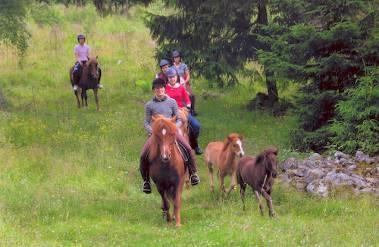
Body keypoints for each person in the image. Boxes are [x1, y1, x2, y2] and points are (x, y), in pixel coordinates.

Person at [140, 78, 200, 194]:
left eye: (162, 88)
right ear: (154, 90)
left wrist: (174, 128)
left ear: (164, 89)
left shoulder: (172, 102)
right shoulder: (149, 105)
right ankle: (146, 181)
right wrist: (152, 131)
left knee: (187, 148)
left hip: (171, 133)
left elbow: (178, 118)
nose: (160, 90)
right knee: (143, 155)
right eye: (157, 88)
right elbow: (146, 122)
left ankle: (193, 174)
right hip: (156, 135)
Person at [165, 68, 203, 155]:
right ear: (168, 78)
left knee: (196, 125)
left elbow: (187, 100)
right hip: (170, 112)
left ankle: (195, 145)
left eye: (173, 77)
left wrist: (188, 107)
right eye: (170, 77)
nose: (172, 79)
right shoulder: (165, 88)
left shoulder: (181, 87)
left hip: (182, 110)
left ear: (176, 77)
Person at [171, 50, 198, 116]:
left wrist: (185, 82)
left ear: (180, 58)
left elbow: (188, 75)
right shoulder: (171, 67)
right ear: (173, 59)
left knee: (191, 95)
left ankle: (192, 109)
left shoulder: (184, 66)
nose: (176, 59)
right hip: (175, 84)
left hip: (184, 83)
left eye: (177, 57)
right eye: (175, 57)